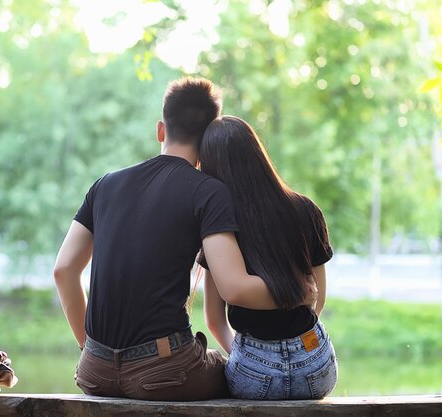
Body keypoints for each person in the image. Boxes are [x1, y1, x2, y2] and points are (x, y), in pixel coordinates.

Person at [53, 78, 316, 401]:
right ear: (209, 141)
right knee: (236, 372)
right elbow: (234, 287)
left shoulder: (105, 185)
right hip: (167, 372)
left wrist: (92, 351)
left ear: (161, 130)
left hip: (94, 371)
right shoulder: (208, 192)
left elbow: (63, 270)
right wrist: (299, 291)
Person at [198, 115, 337, 400]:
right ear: (257, 154)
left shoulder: (219, 230)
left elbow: (214, 319)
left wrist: (249, 358)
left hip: (252, 373)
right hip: (316, 367)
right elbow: (317, 298)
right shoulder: (306, 210)